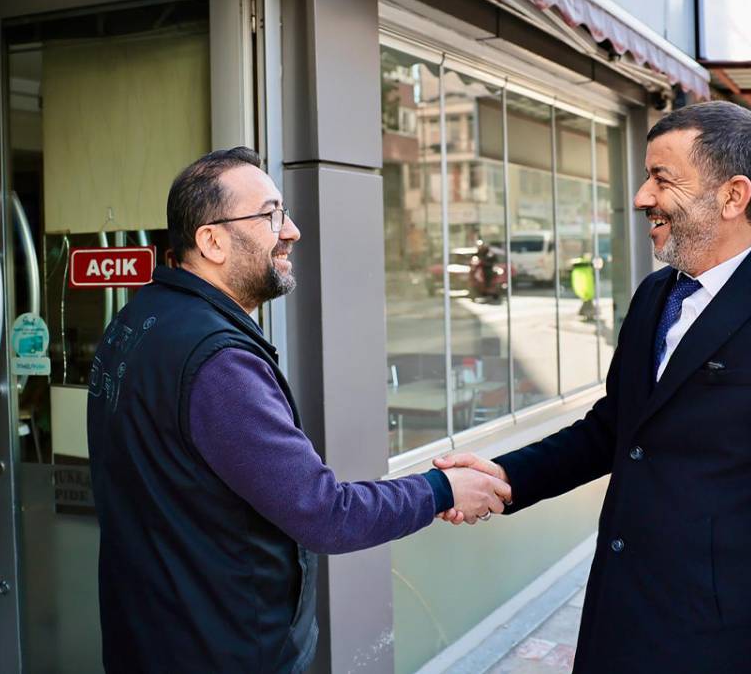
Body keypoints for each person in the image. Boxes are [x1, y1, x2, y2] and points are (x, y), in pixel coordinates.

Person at [437, 101, 751, 672]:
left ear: (733, 195)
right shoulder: (655, 295)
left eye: (661, 178)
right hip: (620, 624)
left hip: (728, 646)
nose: (641, 197)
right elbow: (614, 428)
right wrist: (504, 476)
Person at [86, 147, 511, 673]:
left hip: (153, 637)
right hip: (224, 651)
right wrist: (442, 490)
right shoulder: (218, 363)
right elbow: (324, 513)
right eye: (270, 215)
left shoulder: (138, 319)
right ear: (211, 240)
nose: (292, 231)